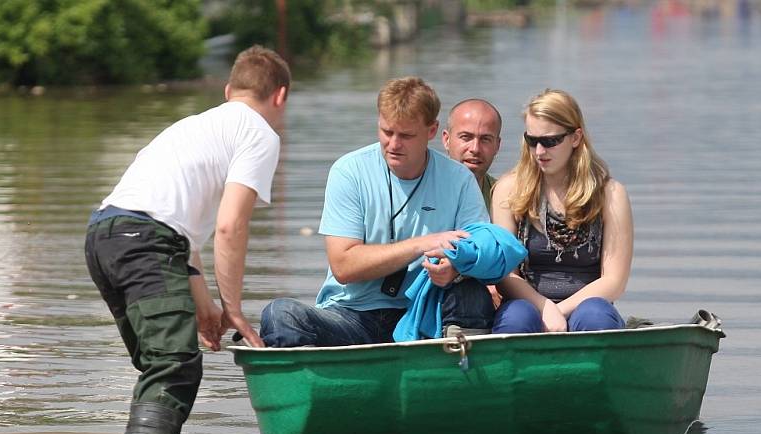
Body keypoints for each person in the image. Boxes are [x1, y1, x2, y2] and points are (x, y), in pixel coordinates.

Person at [84, 45, 290, 434]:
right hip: (145, 240)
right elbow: (231, 226)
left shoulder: (193, 127)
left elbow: (184, 236)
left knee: (159, 365)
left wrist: (205, 306)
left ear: (229, 89)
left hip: (104, 235)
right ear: (281, 96)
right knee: (174, 365)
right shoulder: (259, 133)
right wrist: (234, 310)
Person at [260, 76, 494, 347]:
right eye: (387, 132)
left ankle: (456, 373)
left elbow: (482, 252)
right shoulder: (349, 171)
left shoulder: (459, 179)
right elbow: (343, 266)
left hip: (422, 315)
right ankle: (311, 384)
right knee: (280, 315)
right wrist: (421, 245)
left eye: (406, 136)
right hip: (352, 315)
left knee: (473, 293)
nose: (394, 144)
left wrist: (454, 268)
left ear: (432, 131)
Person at [491, 89, 633, 334]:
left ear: (576, 138)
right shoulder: (508, 190)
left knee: (595, 315)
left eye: (550, 141)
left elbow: (614, 281)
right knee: (516, 317)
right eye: (531, 140)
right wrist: (545, 307)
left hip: (588, 307)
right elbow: (505, 275)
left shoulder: (610, 194)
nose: (539, 152)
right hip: (528, 303)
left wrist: (561, 311)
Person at [442, 98, 502, 214]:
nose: (475, 149)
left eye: (485, 139)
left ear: (497, 145)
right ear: (446, 140)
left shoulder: (505, 199)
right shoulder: (422, 189)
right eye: (466, 137)